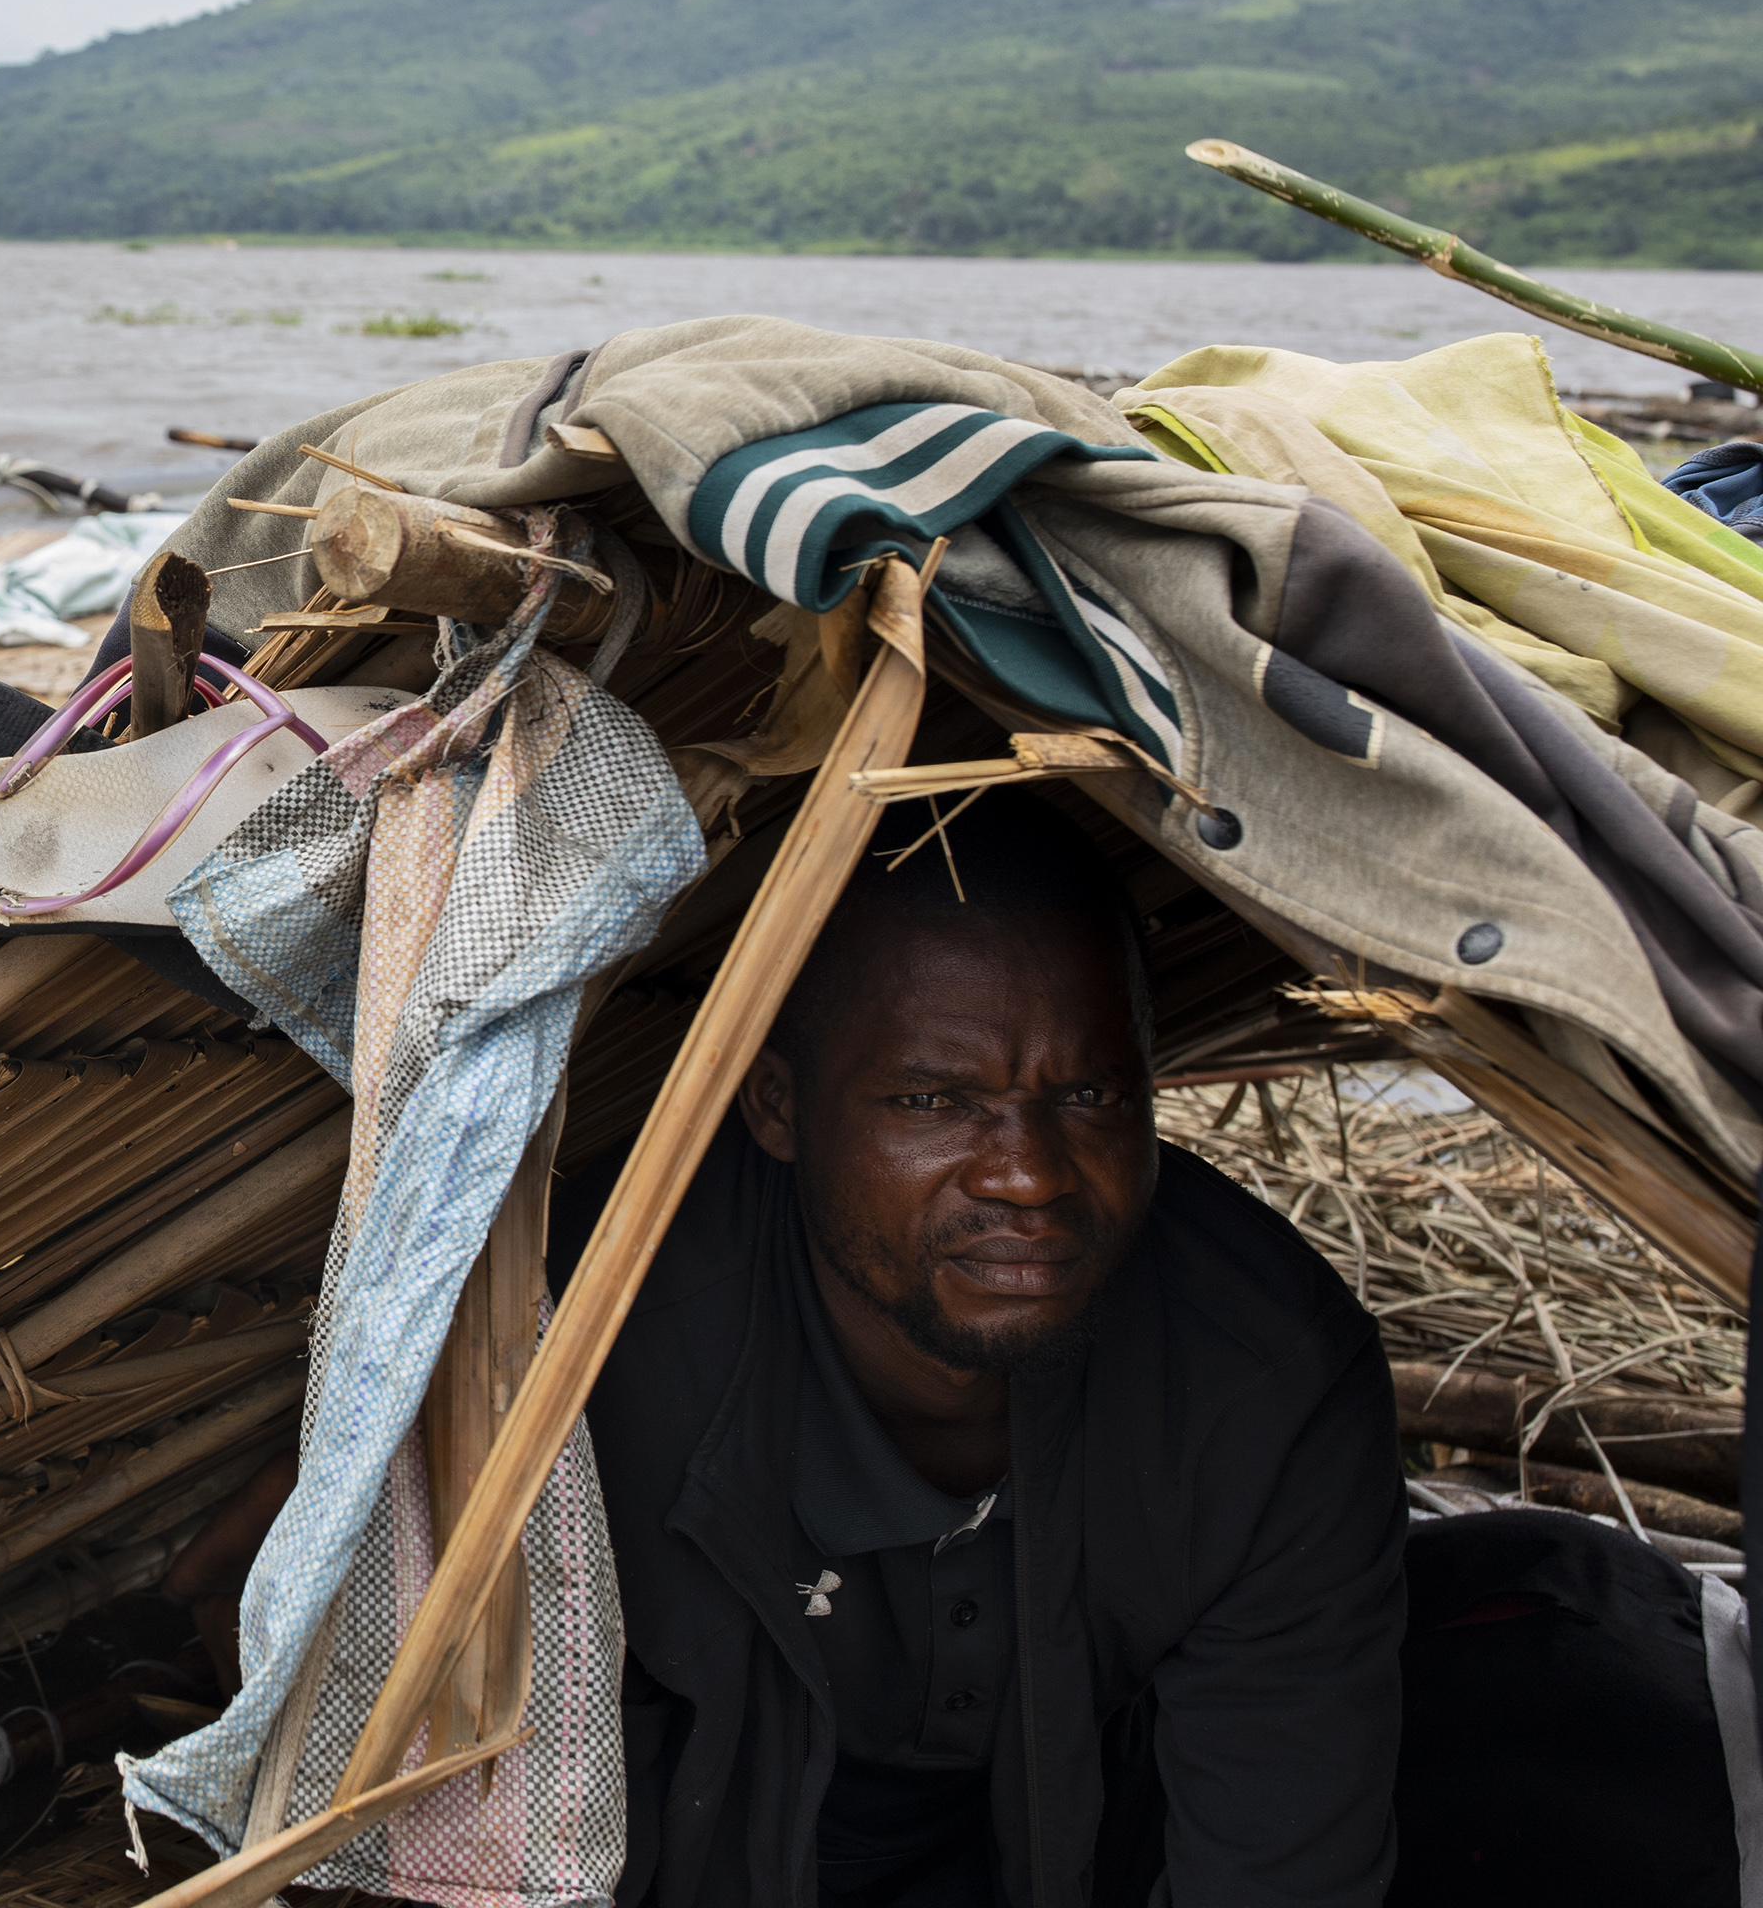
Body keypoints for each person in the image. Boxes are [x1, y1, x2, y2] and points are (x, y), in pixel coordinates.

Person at [554, 795, 1404, 1907]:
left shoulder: (1261, 1381)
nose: (1028, 1175)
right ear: (778, 1107)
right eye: (933, 1100)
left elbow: (1282, 1861)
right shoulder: (585, 1353)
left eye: (1090, 1095)